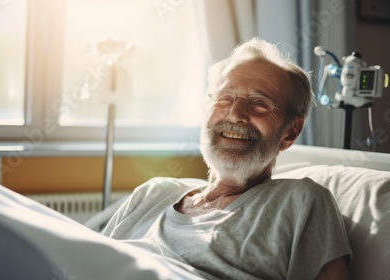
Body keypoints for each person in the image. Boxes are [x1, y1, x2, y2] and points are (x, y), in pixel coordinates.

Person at [102, 38, 352, 280]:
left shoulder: (301, 201)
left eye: (260, 103)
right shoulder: (153, 193)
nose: (235, 114)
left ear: (290, 132)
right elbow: (84, 261)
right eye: (224, 98)